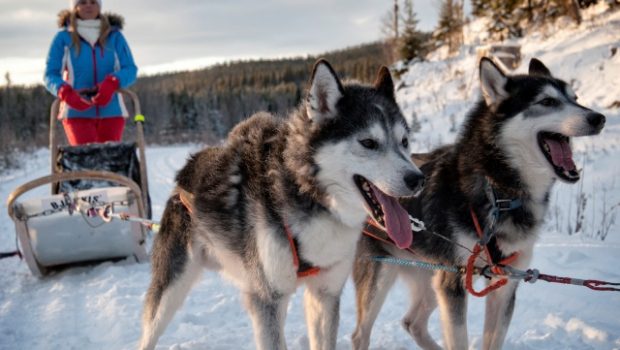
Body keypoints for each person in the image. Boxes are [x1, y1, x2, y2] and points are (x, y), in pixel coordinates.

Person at [44, 0, 137, 146]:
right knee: (85, 165)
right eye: (83, 2)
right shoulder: (63, 38)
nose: (88, 5)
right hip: (76, 113)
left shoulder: (115, 37)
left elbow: (130, 69)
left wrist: (112, 82)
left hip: (112, 112)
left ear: (99, 6)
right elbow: (50, 75)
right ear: (75, 7)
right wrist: (65, 92)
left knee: (110, 165)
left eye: (93, 2)